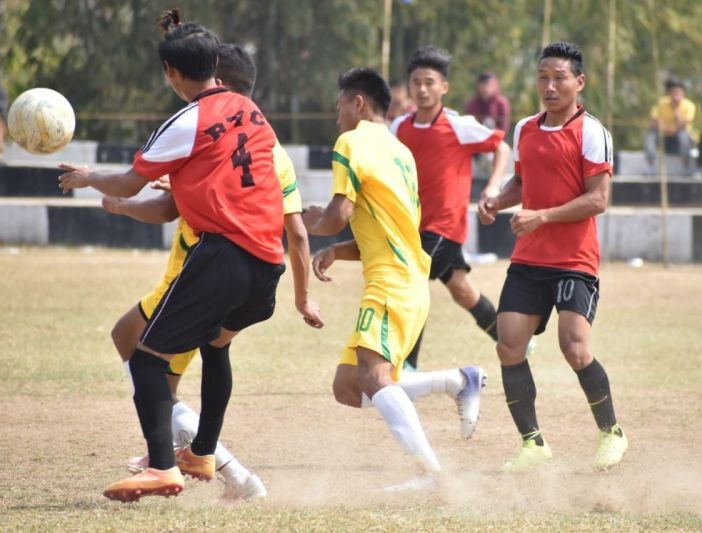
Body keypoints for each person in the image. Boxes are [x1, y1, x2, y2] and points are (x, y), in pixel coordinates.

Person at [58, 10, 322, 502]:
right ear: (217, 66)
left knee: (145, 361)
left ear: (170, 74)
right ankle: (200, 452)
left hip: (222, 257)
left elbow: (131, 179)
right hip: (267, 265)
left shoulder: (186, 121)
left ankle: (162, 467)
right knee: (215, 347)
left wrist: (90, 178)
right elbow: (167, 205)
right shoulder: (253, 113)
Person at [303, 67, 487, 491]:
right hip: (406, 280)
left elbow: (336, 216)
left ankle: (431, 476)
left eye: (339, 108)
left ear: (358, 104)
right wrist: (338, 250)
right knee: (348, 386)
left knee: (374, 374)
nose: (337, 119)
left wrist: (303, 221)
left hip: (390, 283)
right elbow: (387, 227)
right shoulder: (400, 151)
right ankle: (459, 381)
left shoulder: (351, 142)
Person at [479, 42, 627, 472]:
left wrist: (542, 216)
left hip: (575, 260)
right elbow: (521, 185)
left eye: (559, 77)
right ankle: (533, 443)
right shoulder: (525, 128)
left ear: (579, 82)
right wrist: (495, 201)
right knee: (509, 345)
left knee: (574, 347)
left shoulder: (593, 132)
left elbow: (598, 200)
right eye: (543, 77)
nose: (549, 85)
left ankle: (611, 432)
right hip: (529, 259)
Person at [391, 46, 511, 371]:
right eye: (416, 82)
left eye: (430, 82)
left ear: (444, 87)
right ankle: (513, 341)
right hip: (412, 227)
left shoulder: (459, 125)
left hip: (445, 228)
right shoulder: (399, 127)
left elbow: (502, 147)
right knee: (462, 291)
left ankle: (408, 367)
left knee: (411, 281)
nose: (423, 89)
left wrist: (492, 186)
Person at [644, 79, 697, 175]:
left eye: (679, 92)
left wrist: (676, 111)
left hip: (680, 137)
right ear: (668, 94)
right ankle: (650, 164)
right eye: (674, 92)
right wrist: (667, 127)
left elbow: (683, 125)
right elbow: (652, 122)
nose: (677, 95)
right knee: (650, 134)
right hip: (664, 136)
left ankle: (686, 165)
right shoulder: (661, 103)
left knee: (683, 135)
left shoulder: (689, 105)